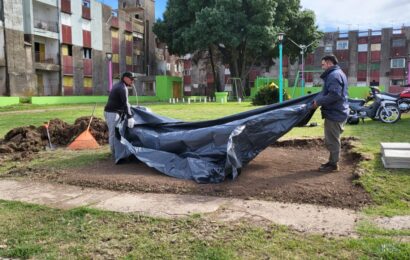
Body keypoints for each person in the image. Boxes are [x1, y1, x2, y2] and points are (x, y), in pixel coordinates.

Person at [312, 55, 349, 172]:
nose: (322, 67)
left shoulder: (334, 75)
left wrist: (318, 102)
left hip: (335, 113)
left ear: (329, 63)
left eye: (323, 64)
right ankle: (332, 162)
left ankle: (333, 165)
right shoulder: (337, 73)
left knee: (332, 140)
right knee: (333, 139)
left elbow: (334, 95)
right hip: (337, 111)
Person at [104, 71, 136, 157]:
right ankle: (114, 153)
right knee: (113, 133)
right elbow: (125, 103)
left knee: (116, 132)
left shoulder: (120, 85)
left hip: (114, 112)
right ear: (125, 78)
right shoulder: (122, 88)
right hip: (112, 113)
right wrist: (130, 117)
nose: (132, 81)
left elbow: (125, 103)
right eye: (131, 79)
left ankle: (117, 151)